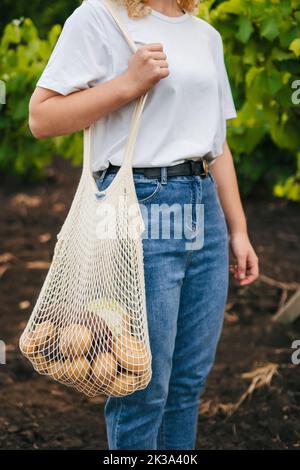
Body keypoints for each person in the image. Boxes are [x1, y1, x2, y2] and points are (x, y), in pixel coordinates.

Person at [29, 0, 259, 450]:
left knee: (188, 382)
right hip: (138, 206)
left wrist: (237, 230)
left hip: (204, 209)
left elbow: (217, 144)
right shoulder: (99, 16)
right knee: (141, 386)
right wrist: (128, 84)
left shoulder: (204, 35)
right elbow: (42, 118)